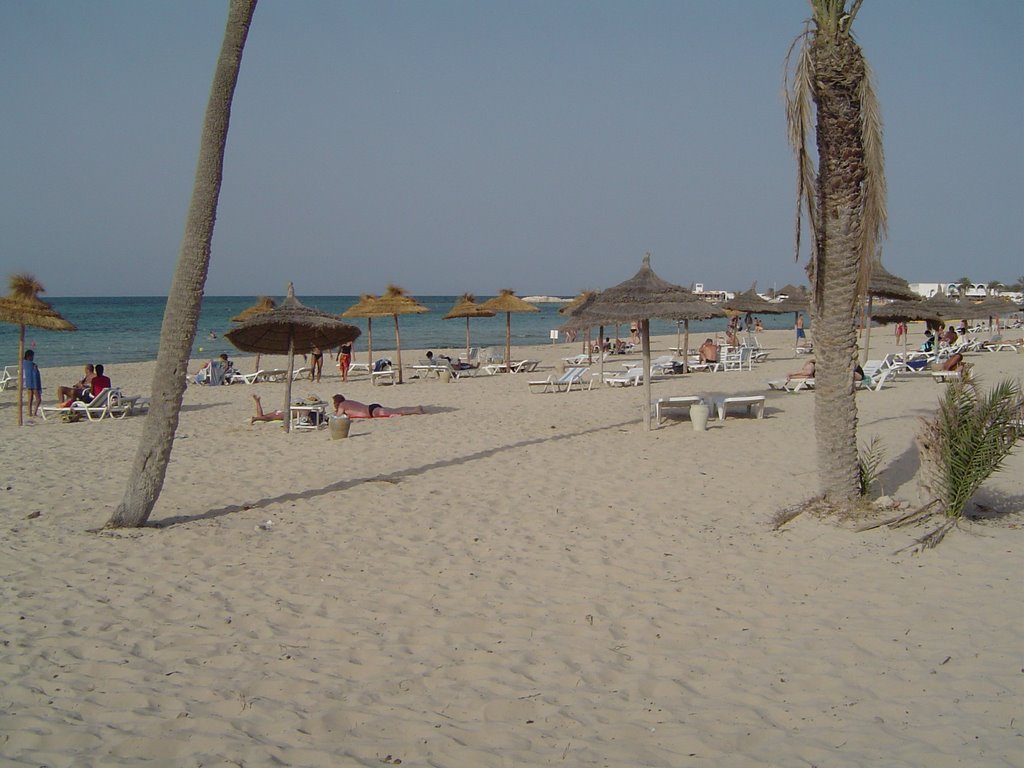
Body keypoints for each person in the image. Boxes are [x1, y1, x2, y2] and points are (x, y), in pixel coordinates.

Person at [332, 394, 424, 418]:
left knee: (395, 411)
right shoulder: (347, 402)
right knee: (394, 410)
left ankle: (415, 410)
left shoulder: (342, 405)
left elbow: (337, 417)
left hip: (372, 412)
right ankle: (415, 409)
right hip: (371, 408)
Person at [22, 349, 42, 418]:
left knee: (30, 399)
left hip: (28, 383)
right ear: (29, 356)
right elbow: (34, 374)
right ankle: (34, 412)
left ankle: (29, 412)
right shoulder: (32, 365)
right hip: (34, 383)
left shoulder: (24, 363)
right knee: (38, 399)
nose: (33, 358)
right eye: (32, 356)